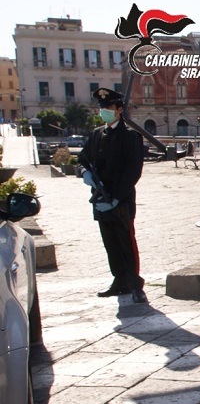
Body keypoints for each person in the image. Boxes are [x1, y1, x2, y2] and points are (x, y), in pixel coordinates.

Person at [78, 88, 147, 304]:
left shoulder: (130, 137)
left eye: (107, 108)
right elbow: (83, 158)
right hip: (100, 199)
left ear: (119, 110)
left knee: (127, 242)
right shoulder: (97, 135)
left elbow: (133, 171)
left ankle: (135, 285)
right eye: (101, 108)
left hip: (121, 200)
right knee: (110, 243)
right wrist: (85, 173)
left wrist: (116, 198)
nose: (103, 112)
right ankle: (119, 281)